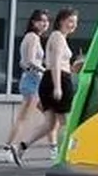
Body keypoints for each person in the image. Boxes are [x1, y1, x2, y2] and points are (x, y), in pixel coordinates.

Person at [17, 9, 79, 158]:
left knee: (50, 123)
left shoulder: (59, 37)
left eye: (75, 22)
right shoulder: (57, 36)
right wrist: (58, 87)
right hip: (57, 80)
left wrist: (73, 68)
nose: (73, 25)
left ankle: (22, 146)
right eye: (70, 21)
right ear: (61, 21)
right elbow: (55, 63)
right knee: (65, 121)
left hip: (53, 78)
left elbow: (56, 62)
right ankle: (65, 155)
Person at [4, 10, 50, 165]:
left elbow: (24, 62)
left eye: (46, 21)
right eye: (41, 21)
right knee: (24, 117)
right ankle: (8, 148)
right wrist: (46, 71)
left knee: (50, 115)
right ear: (33, 22)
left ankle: (54, 147)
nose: (45, 24)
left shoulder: (33, 38)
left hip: (33, 80)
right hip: (32, 81)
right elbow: (30, 61)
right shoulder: (32, 37)